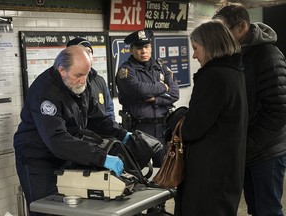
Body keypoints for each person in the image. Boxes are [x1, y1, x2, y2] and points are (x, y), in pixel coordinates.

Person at [14, 45, 131, 216]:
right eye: (79, 75)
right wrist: (100, 157)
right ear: (62, 70)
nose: (84, 80)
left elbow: (95, 117)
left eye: (86, 74)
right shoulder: (46, 93)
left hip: (67, 155)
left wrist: (122, 134)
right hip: (38, 160)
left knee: (73, 209)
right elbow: (57, 139)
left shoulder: (80, 82)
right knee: (47, 210)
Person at [166, 20, 248, 216]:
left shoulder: (214, 77)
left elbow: (192, 128)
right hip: (227, 171)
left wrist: (176, 116)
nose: (194, 55)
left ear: (210, 45)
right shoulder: (235, 73)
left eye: (196, 48)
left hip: (207, 176)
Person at [212, 3, 286, 216]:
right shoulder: (236, 54)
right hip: (247, 149)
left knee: (269, 210)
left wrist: (249, 143)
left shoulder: (268, 56)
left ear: (242, 26)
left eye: (224, 30)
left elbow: (279, 110)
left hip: (267, 151)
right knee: (255, 208)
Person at [115, 29, 179, 168]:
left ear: (151, 47)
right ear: (131, 50)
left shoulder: (161, 68)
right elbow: (140, 90)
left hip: (163, 128)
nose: (143, 51)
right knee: (137, 170)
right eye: (139, 48)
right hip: (140, 129)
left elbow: (175, 94)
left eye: (146, 47)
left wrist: (156, 99)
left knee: (164, 170)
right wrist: (163, 87)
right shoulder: (125, 71)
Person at [66, 37, 115, 120]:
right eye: (83, 52)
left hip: (102, 131)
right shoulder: (65, 81)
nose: (87, 55)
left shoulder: (99, 80)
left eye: (89, 51)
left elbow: (109, 110)